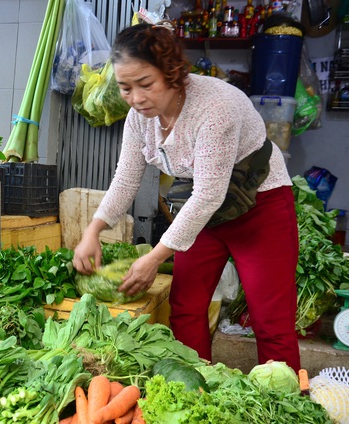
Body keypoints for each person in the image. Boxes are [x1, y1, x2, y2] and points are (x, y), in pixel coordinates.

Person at [72, 21, 300, 372]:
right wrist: (93, 230)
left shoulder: (215, 107)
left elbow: (209, 193)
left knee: (269, 319)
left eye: (145, 84)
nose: (136, 98)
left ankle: (288, 406)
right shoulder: (139, 118)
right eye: (125, 88)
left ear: (172, 73)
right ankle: (196, 394)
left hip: (260, 208)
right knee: (186, 307)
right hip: (204, 215)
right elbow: (126, 179)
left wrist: (154, 258)